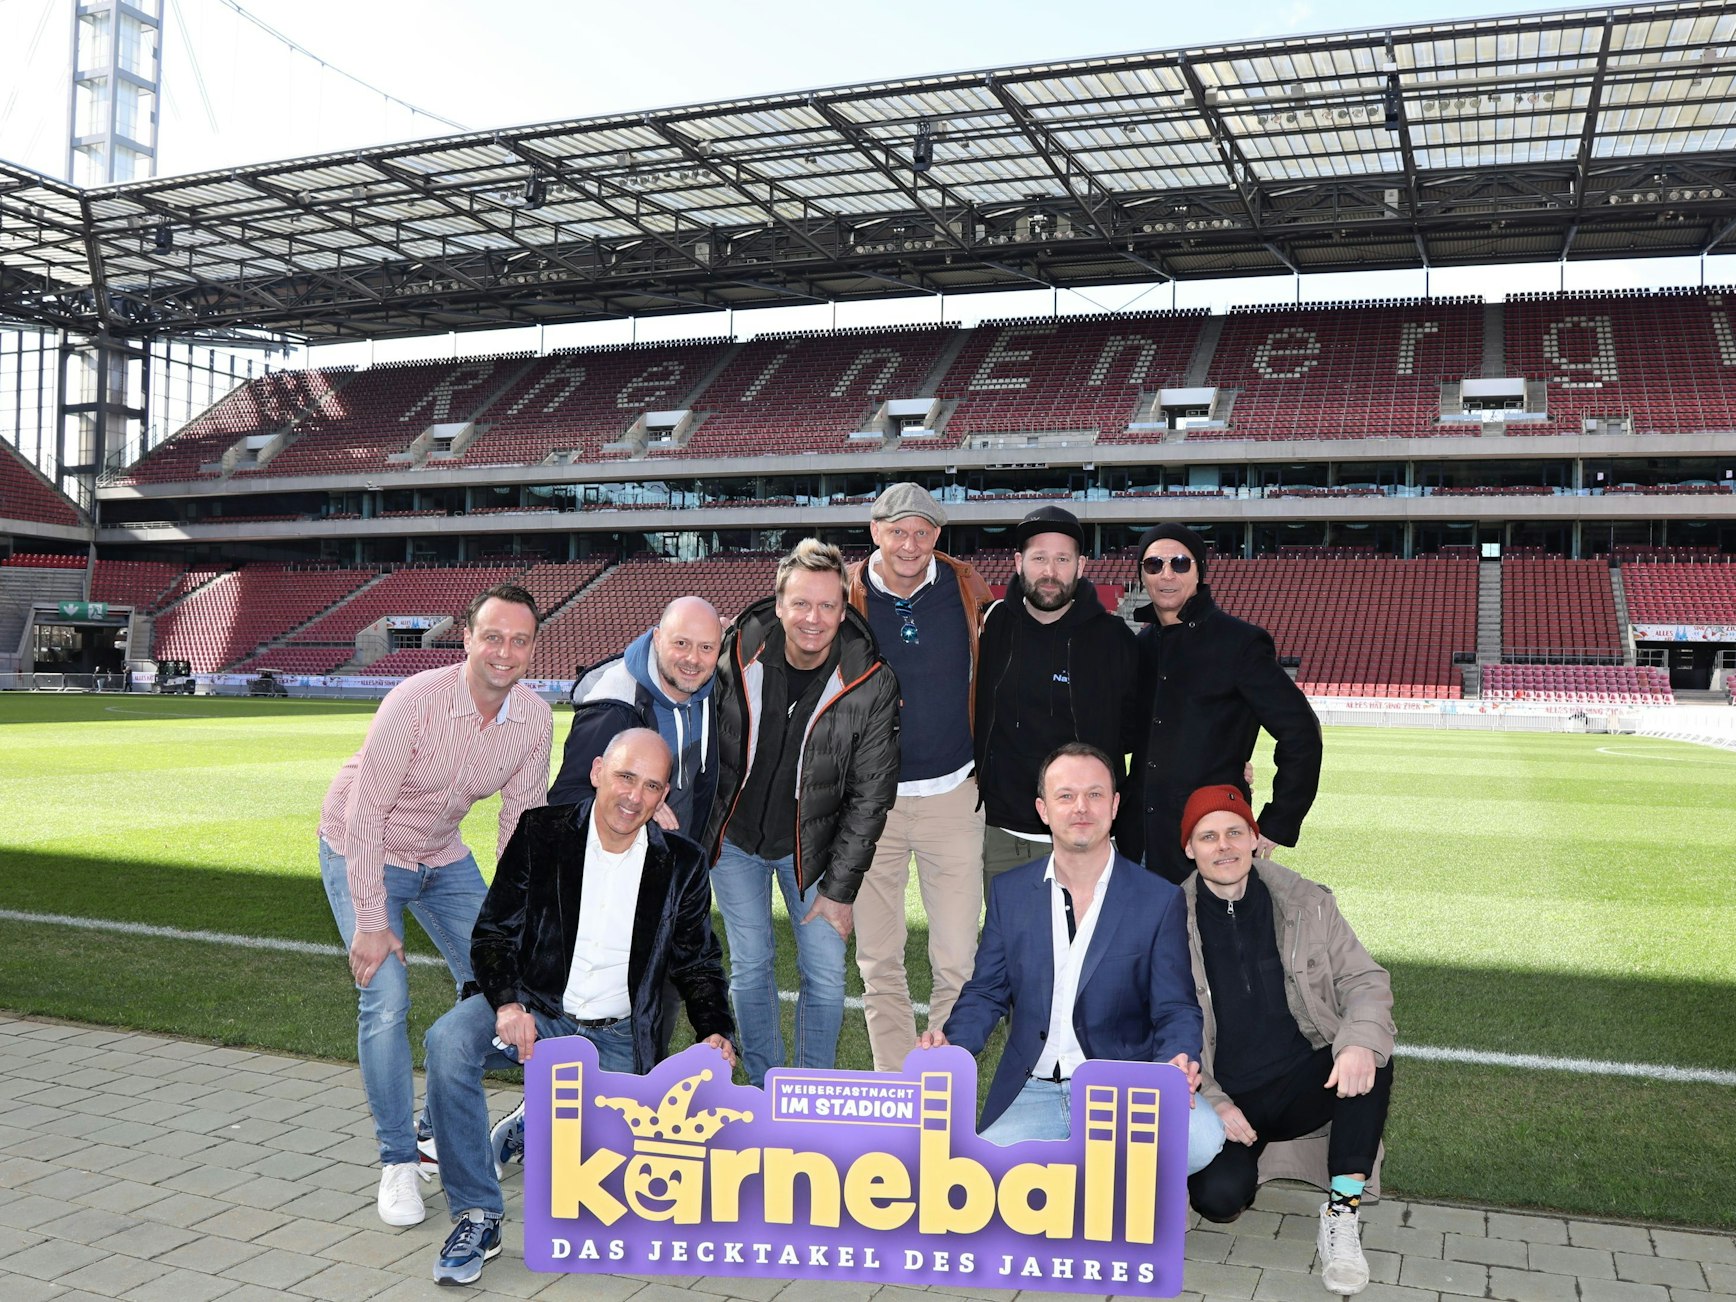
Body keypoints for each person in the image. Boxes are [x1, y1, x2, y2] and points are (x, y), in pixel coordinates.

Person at [420, 728, 735, 1286]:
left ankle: (534, 1121)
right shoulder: (541, 832)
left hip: (615, 1036)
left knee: (616, 1209)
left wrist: (715, 1030)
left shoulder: (682, 864)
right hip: (537, 1011)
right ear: (596, 772)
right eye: (624, 777)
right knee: (448, 1042)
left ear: (664, 798)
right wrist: (508, 1003)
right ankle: (477, 1213)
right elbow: (493, 932)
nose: (634, 797)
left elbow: (698, 961)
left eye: (652, 786)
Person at [317, 583, 553, 1228]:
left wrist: (515, 923)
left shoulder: (534, 719)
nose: (505, 652)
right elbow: (367, 810)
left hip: (440, 855)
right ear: (469, 639)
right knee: (386, 996)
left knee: (499, 981)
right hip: (361, 845)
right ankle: (398, 1162)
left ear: (533, 648)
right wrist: (369, 916)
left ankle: (431, 1133)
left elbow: (519, 828)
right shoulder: (415, 701)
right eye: (493, 636)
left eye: (519, 640)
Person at [920, 743, 1224, 1174]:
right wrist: (952, 1044)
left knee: (1203, 1138)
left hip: (1121, 1092)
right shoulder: (1009, 893)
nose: (1081, 807)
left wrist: (1176, 1059)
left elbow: (1176, 1007)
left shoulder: (1159, 900)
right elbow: (986, 992)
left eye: (1095, 794)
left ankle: (1102, 1195)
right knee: (971, 1181)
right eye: (1066, 796)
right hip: (1034, 1090)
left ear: (1115, 805)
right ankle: (1082, 1192)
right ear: (1043, 809)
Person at [1178, 784, 1394, 1297]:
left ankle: (1342, 1213)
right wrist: (1213, 1101)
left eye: (1235, 832)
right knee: (1220, 1198)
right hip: (1226, 1100)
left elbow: (1364, 981)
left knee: (1369, 1054)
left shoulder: (1306, 902)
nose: (1224, 846)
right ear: (1189, 848)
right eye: (1208, 836)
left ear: (1256, 839)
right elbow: (1156, 1026)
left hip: (1301, 1080)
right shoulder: (1166, 920)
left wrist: (1358, 1041)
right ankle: (1242, 1163)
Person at [701, 538, 900, 1086]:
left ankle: (811, 1091)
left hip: (812, 852)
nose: (814, 618)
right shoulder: (736, 651)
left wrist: (839, 890)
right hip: (735, 843)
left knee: (826, 976)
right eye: (802, 604)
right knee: (751, 966)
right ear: (780, 603)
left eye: (828, 605)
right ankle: (768, 1085)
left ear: (844, 608)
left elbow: (871, 795)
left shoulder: (871, 680)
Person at [845, 483, 993, 1071]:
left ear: (937, 537)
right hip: (870, 804)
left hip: (953, 796)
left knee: (957, 959)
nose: (910, 543)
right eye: (898, 530)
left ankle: (943, 1085)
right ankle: (892, 1088)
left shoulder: (964, 590)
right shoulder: (843, 595)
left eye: (923, 532)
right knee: (879, 961)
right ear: (875, 531)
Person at [1116, 523, 1323, 884]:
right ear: (1142, 575)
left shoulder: (1239, 643)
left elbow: (1301, 732)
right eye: (1153, 564)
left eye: (1180, 563)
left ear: (1198, 572)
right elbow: (1130, 735)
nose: (1166, 574)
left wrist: (1277, 823)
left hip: (1212, 843)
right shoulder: (1141, 647)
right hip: (1139, 845)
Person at [973, 504, 1136, 883]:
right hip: (1004, 834)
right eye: (1039, 558)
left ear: (1080, 567)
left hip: (1087, 836)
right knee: (1013, 942)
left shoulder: (1114, 640)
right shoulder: (992, 628)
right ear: (1018, 562)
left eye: (1063, 559)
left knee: (1089, 943)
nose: (1050, 572)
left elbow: (1141, 727)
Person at [548, 594, 723, 837]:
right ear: (658, 639)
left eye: (706, 647)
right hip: (622, 863)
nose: (693, 659)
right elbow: (566, 799)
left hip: (681, 860)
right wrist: (636, 803)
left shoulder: (712, 693)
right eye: (681, 643)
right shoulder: (614, 706)